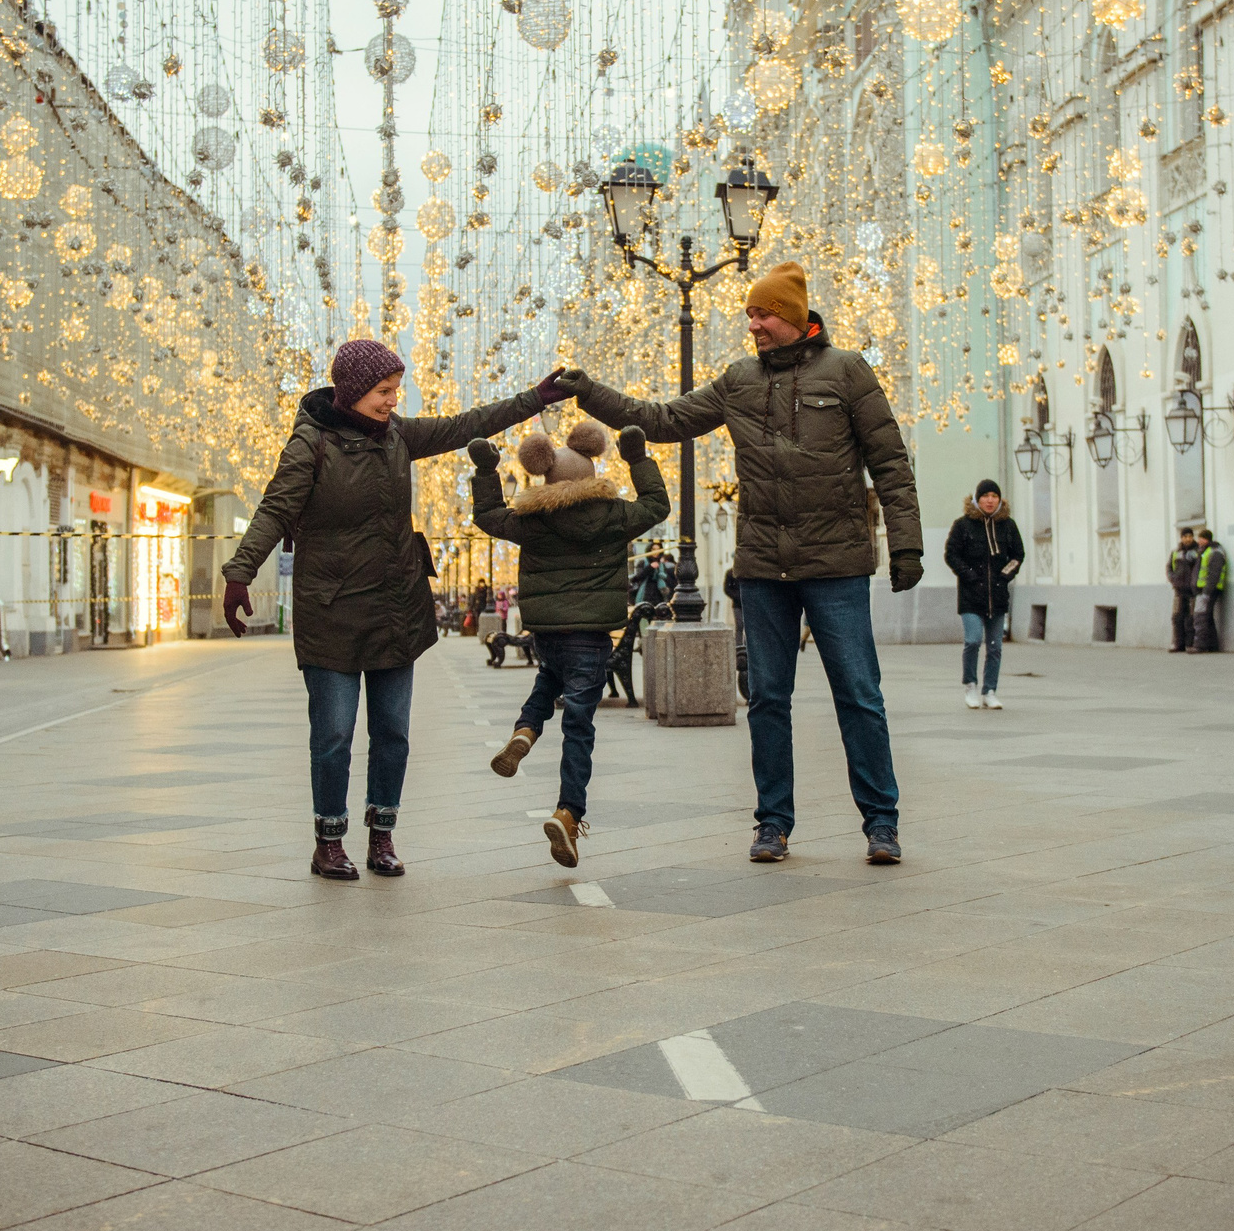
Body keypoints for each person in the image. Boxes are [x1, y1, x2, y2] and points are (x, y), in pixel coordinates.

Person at [558, 260, 922, 866]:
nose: (753, 324)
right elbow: (663, 420)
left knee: (859, 694)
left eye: (764, 314)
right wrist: (590, 391)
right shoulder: (739, 381)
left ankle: (881, 823)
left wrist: (905, 544)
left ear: (794, 316)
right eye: (750, 314)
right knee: (767, 697)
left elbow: (890, 462)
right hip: (764, 568)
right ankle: (773, 824)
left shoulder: (849, 371)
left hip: (836, 564)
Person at [223, 339, 571, 880]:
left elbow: (464, 424)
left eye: (394, 391)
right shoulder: (310, 445)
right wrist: (240, 572)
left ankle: (381, 836)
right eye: (383, 392)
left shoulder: (398, 436)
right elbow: (275, 508)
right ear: (354, 391)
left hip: (395, 607)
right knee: (334, 734)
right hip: (331, 609)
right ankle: (329, 841)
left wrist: (533, 399)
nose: (391, 401)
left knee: (393, 733)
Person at [470, 420, 669, 868]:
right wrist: (638, 459)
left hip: (547, 634)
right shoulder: (615, 515)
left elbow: (486, 516)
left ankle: (525, 732)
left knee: (547, 677)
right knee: (579, 726)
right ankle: (568, 812)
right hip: (592, 636)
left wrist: (487, 473)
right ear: (592, 469)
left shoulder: (531, 520)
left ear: (544, 474)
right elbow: (657, 505)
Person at [944, 480, 1023, 710]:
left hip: (997, 597)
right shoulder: (963, 525)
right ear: (977, 499)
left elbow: (1018, 555)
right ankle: (970, 685)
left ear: (1000, 499)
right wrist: (969, 575)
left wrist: (1004, 576)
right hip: (971, 596)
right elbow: (951, 554)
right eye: (985, 496)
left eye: (994, 496)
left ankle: (990, 691)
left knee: (995, 646)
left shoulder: (1008, 525)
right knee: (972, 640)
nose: (990, 500)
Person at [1192, 529, 1228, 653]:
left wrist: (1207, 591)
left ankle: (1200, 645)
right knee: (1207, 616)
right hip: (1204, 589)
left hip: (1210, 589)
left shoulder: (1215, 552)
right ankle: (1212, 645)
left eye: (1201, 538)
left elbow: (1214, 573)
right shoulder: (1204, 551)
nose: (1199, 541)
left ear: (1207, 539)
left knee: (1201, 616)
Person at [1167, 528, 1201, 653]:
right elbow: (1169, 568)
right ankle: (1177, 643)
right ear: (1181, 538)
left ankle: (1189, 643)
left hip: (1192, 590)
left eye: (1190, 536)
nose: (1187, 539)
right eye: (1185, 536)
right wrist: (1173, 580)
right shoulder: (1176, 552)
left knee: (1191, 618)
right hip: (1179, 589)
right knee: (1177, 617)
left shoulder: (1197, 552)